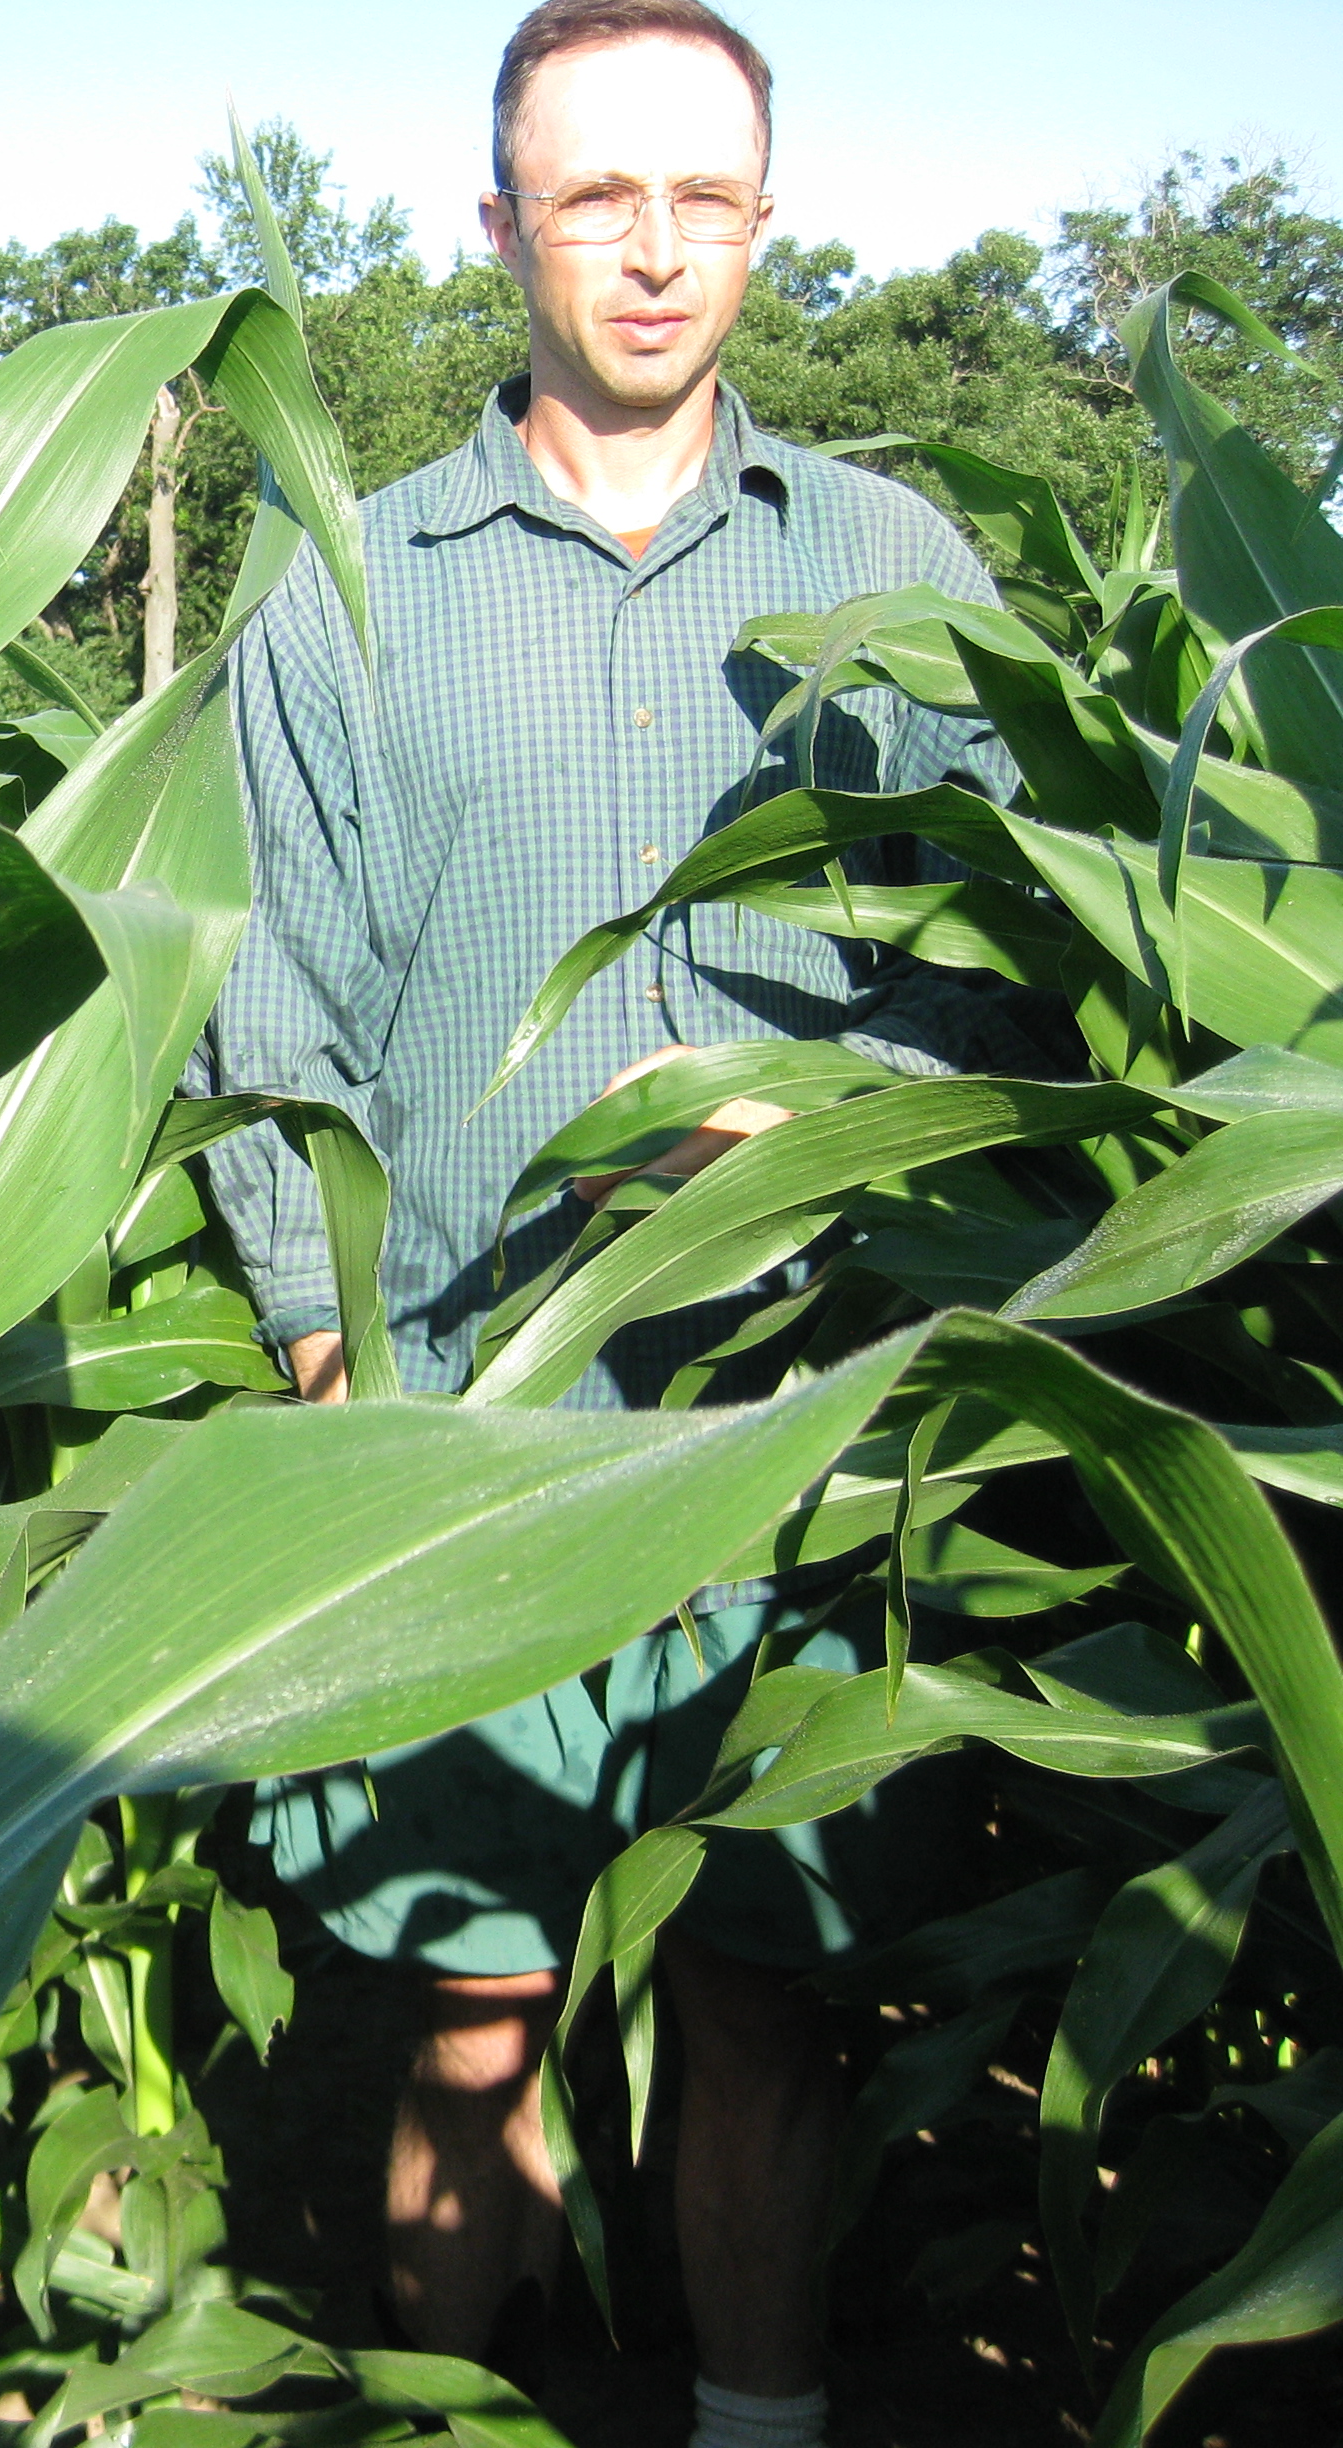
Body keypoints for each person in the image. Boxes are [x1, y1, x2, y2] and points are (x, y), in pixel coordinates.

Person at [188, 8, 1054, 2447]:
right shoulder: (352, 581)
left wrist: (827, 1129)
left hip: (806, 1426)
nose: (656, 252)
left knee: (770, 1996)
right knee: (468, 2017)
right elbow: (270, 999)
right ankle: (463, 2421)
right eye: (596, 199)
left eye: (706, 199)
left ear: (766, 223)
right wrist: (329, 1367)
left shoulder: (899, 570)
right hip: (476, 1422)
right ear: (498, 231)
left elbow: (1005, 964)